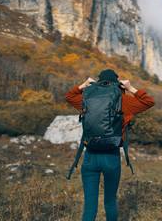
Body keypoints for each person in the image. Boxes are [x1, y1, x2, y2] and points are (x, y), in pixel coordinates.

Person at [65, 69, 155, 221]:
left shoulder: (87, 98)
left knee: (89, 206)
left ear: (98, 82)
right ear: (117, 84)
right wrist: (130, 88)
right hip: (111, 156)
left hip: (90, 155)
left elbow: (69, 97)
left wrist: (84, 85)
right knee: (110, 203)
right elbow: (149, 102)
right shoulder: (123, 100)